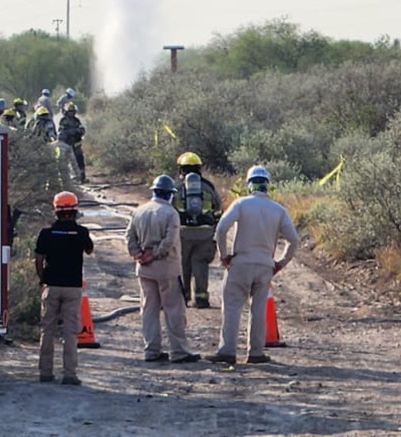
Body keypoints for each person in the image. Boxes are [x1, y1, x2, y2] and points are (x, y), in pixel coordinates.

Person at [207, 165, 299, 365]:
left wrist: (224, 256)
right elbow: (294, 240)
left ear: (249, 184)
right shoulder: (278, 210)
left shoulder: (241, 204)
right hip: (265, 265)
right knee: (258, 310)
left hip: (240, 263)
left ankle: (227, 351)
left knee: (232, 307)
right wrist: (281, 263)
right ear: (267, 185)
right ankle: (256, 352)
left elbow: (221, 229)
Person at [124, 175, 201, 364]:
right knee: (174, 310)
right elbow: (170, 240)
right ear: (169, 195)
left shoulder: (138, 211)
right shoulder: (170, 213)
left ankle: (151, 350)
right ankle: (179, 351)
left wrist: (138, 254)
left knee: (148, 310)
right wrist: (155, 254)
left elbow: (129, 237)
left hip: (144, 268)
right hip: (166, 268)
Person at [34, 191, 95, 385]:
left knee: (47, 330)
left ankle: (45, 373)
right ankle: (70, 374)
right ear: (75, 210)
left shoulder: (46, 233)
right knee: (70, 332)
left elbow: (39, 258)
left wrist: (42, 279)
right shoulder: (81, 232)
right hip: (73, 288)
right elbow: (89, 249)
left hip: (51, 286)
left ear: (56, 211)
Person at [171, 151, 222, 308]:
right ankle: (201, 299)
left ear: (181, 169)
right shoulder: (208, 187)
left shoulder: (176, 187)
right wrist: (212, 226)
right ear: (199, 169)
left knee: (183, 264)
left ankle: (183, 297)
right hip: (205, 233)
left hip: (182, 232)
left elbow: (168, 210)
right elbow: (218, 209)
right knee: (200, 264)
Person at [57, 102, 87, 183]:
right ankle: (67, 179)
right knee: (66, 161)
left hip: (76, 144)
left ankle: (82, 176)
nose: (71, 113)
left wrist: (76, 131)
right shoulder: (63, 121)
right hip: (66, 144)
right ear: (66, 112)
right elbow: (63, 132)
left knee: (80, 159)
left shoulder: (77, 120)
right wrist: (75, 131)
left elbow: (82, 130)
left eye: (72, 111)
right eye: (70, 111)